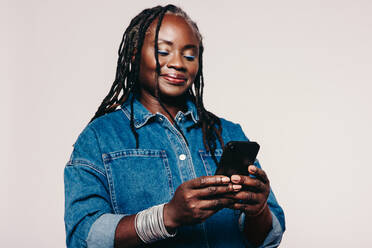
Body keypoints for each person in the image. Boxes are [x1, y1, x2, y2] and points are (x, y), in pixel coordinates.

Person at [64, 4, 285, 248]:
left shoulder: (228, 133)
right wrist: (166, 216)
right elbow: (83, 238)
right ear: (135, 54)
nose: (178, 63)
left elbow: (267, 240)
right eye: (163, 51)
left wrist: (258, 210)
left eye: (189, 55)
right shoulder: (99, 137)